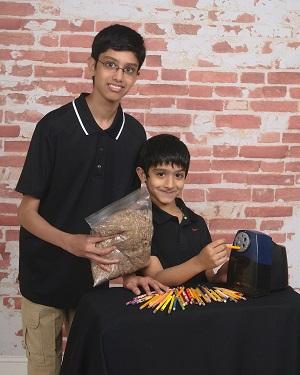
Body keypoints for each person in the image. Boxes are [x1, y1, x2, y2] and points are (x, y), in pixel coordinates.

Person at [16, 24, 165, 375]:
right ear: (92, 66)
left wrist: (129, 272)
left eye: (129, 69)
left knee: (91, 368)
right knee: (45, 369)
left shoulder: (135, 134)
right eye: (110, 64)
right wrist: (73, 243)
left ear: (137, 76)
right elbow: (26, 213)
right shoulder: (54, 127)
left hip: (95, 284)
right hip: (45, 278)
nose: (119, 76)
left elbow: (129, 214)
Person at [135, 134, 230, 286]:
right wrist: (200, 262)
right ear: (142, 175)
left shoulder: (197, 222)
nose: (170, 184)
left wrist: (221, 276)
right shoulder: (139, 224)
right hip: (162, 307)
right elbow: (155, 278)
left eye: (178, 175)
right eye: (160, 174)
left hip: (200, 307)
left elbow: (207, 276)